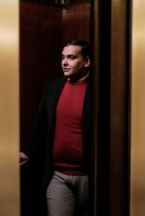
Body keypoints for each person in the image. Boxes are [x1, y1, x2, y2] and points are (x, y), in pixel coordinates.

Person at [20, 39, 94, 216]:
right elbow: (40, 123)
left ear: (86, 61)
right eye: (62, 57)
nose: (64, 62)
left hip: (90, 176)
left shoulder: (98, 89)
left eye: (71, 57)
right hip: (58, 174)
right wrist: (28, 151)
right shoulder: (54, 86)